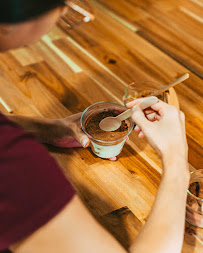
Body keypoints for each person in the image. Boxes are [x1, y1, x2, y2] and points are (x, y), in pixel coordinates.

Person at [0, 1, 189, 253]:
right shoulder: (15, 164)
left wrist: (47, 129)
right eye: (63, 2)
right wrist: (177, 160)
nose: (66, 11)